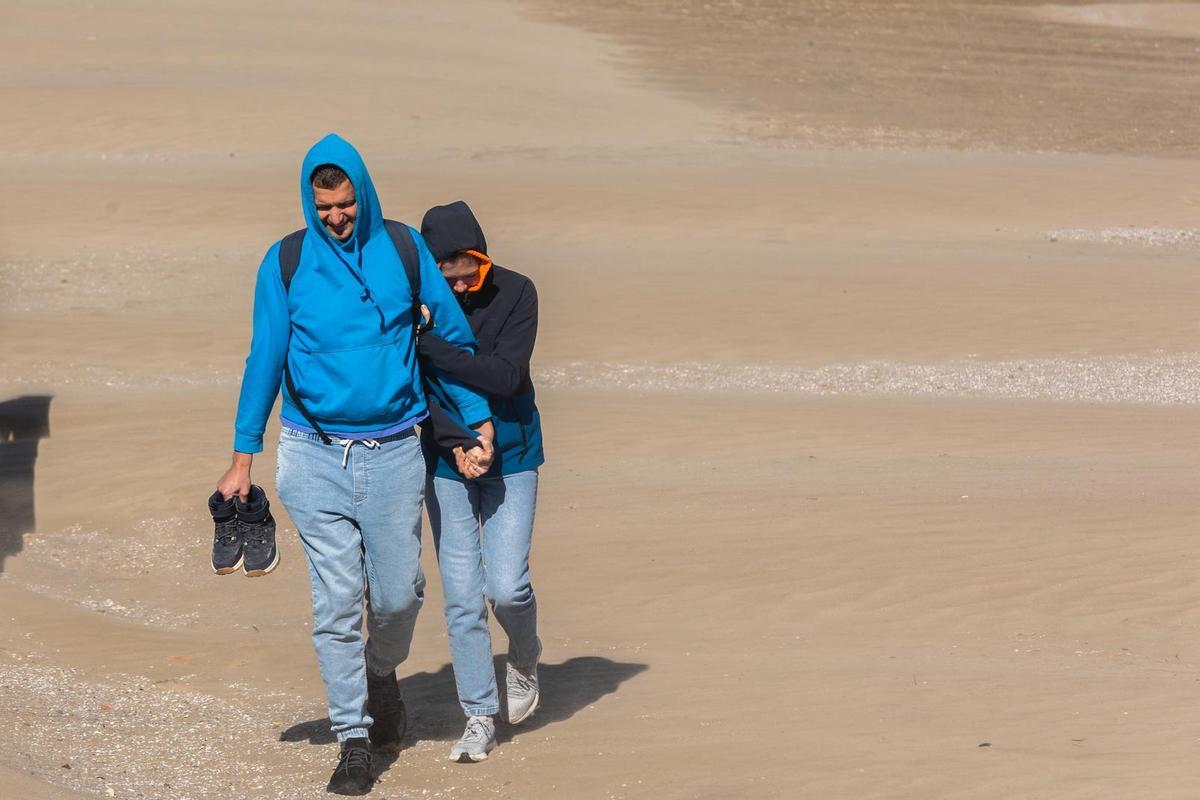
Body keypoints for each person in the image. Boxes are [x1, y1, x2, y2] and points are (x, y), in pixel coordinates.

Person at [215, 135, 493, 795]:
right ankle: (353, 738)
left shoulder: (402, 249)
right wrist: (240, 456)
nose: (335, 216)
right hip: (312, 457)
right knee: (336, 600)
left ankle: (380, 672)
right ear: (309, 200)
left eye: (344, 203)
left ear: (361, 193)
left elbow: (453, 334)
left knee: (399, 597)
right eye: (324, 205)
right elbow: (265, 358)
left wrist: (477, 417)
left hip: (396, 452)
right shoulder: (285, 262)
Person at [416, 201, 545, 763]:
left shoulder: (518, 292)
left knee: (508, 588)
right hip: (446, 459)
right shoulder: (415, 306)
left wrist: (433, 347)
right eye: (451, 274)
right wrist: (458, 439)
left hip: (514, 454)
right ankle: (477, 715)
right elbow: (416, 392)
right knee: (465, 600)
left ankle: (524, 653)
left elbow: (505, 375)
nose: (464, 284)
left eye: (472, 269)